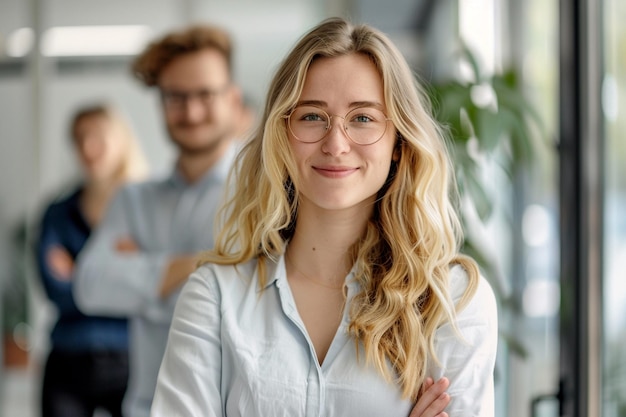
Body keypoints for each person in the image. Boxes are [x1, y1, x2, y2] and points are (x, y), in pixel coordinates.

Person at [151, 17, 498, 417]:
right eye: (312, 116)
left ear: (399, 142)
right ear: (281, 135)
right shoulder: (214, 297)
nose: (335, 144)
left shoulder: (452, 302)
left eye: (363, 118)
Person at [73, 24, 243, 417]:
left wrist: (142, 272)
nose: (192, 111)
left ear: (233, 99)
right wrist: (211, 262)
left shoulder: (267, 195)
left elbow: (253, 293)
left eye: (205, 94)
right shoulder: (133, 198)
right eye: (176, 97)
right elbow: (90, 283)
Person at [36, 103, 149, 417]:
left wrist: (80, 275)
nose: (87, 147)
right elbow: (57, 291)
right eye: (79, 138)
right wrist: (125, 272)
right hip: (68, 358)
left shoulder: (147, 212)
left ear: (121, 140)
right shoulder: (58, 212)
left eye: (97, 136)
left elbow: (154, 291)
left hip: (135, 358)